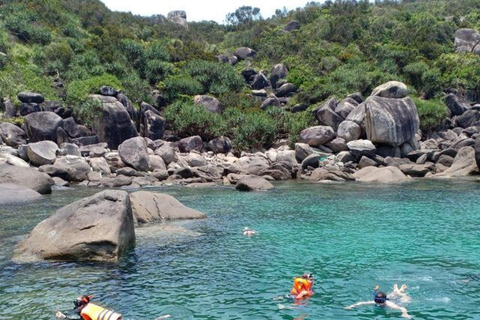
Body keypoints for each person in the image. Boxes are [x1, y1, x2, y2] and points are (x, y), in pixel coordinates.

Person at [345, 285, 411, 319]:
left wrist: (405, 314)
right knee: (394, 294)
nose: (379, 303)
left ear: (384, 300)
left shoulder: (389, 304)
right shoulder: (375, 302)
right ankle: (398, 290)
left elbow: (402, 308)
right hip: (386, 297)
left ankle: (400, 290)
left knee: (406, 299)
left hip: (393, 300)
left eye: (380, 301)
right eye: (377, 301)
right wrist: (351, 306)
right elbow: (361, 303)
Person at [56, 295, 122, 320]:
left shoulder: (85, 312)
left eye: (77, 304)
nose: (76, 306)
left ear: (83, 304)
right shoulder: (94, 305)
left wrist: (64, 318)